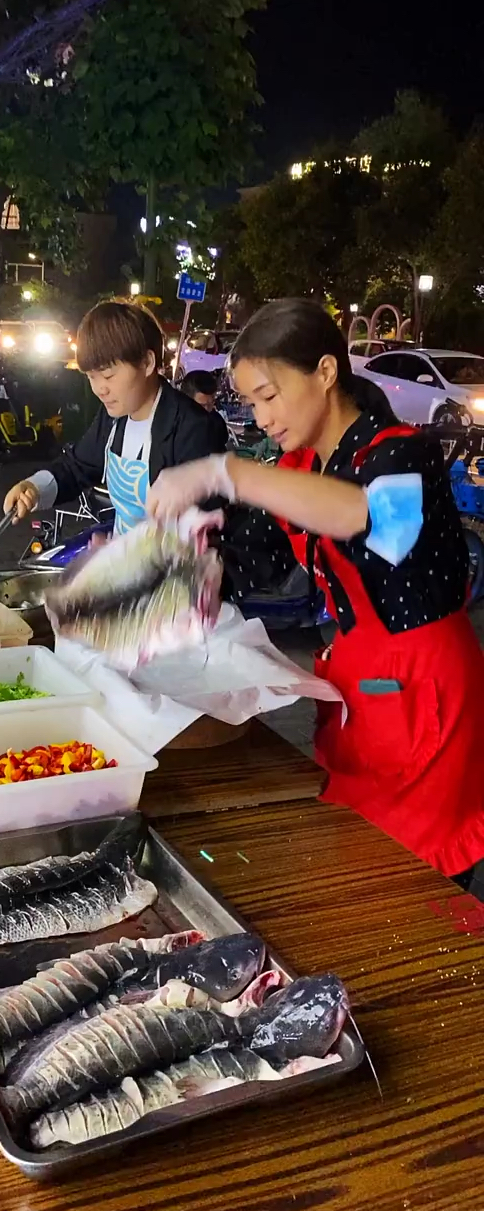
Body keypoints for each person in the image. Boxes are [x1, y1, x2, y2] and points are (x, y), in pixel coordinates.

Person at [146, 297, 484, 888]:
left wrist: (228, 471)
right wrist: (186, 566)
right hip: (359, 688)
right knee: (352, 862)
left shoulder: (404, 452)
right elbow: (254, 556)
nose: (261, 416)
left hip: (426, 691)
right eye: (251, 401)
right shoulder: (302, 466)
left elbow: (364, 517)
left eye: (269, 396)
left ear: (326, 372)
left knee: (411, 882)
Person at [4, 300, 228, 535]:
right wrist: (34, 488)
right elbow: (76, 466)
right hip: (123, 561)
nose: (100, 389)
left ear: (147, 363)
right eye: (91, 377)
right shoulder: (114, 417)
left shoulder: (192, 429)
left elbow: (206, 527)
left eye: (108, 376)